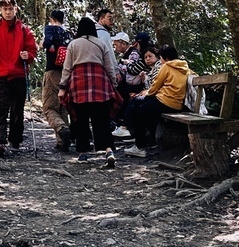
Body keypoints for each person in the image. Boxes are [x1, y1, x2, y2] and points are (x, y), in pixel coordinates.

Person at [0, 0, 38, 157]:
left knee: (18, 109)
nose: (8, 12)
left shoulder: (24, 30)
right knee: (1, 107)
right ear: (0, 10)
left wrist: (28, 55)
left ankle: (15, 140)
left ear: (15, 9)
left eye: (10, 9)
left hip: (18, 74)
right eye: (5, 9)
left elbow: (33, 51)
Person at [58, 16, 118, 167]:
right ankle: (108, 151)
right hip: (99, 81)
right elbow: (109, 66)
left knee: (80, 118)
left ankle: (83, 153)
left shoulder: (73, 44)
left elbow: (67, 68)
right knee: (102, 119)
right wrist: (113, 83)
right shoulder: (101, 43)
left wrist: (62, 87)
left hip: (79, 83)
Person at [123, 45, 190, 158]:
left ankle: (138, 144)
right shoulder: (186, 68)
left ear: (166, 58)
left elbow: (155, 86)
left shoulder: (166, 66)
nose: (161, 61)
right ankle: (143, 139)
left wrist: (147, 94)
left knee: (140, 109)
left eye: (161, 58)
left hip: (165, 102)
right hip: (177, 104)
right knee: (141, 104)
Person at [41, 9, 73, 152]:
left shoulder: (50, 29)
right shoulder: (68, 33)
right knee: (62, 107)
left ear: (51, 18)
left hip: (53, 70)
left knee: (49, 107)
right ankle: (62, 142)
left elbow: (47, 43)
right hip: (67, 72)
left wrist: (42, 44)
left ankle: (62, 129)